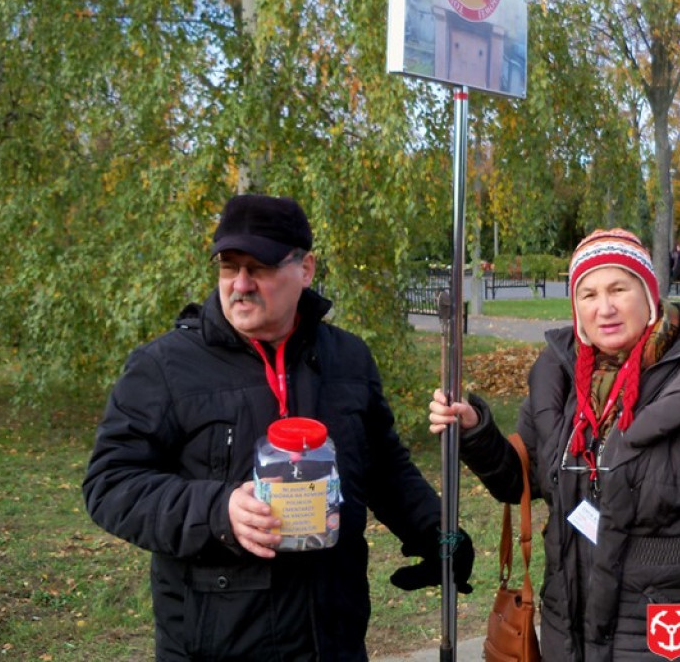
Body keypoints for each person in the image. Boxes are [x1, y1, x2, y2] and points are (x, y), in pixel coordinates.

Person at [83, 193, 473, 661]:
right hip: (221, 644)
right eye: (229, 266)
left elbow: (383, 466)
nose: (240, 284)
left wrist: (434, 530)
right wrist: (218, 510)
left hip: (333, 639)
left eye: (260, 267)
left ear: (305, 269)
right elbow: (110, 484)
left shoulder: (347, 358)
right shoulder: (164, 367)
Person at [430, 228, 680, 661]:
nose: (605, 308)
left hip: (665, 635)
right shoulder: (558, 377)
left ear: (649, 296)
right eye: (589, 294)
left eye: (619, 289)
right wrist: (475, 431)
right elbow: (522, 480)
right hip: (568, 628)